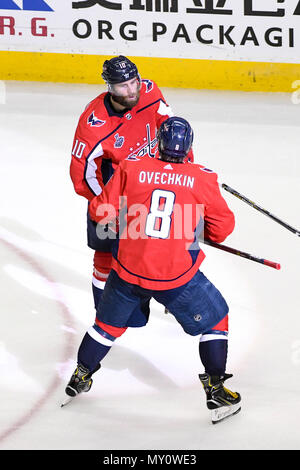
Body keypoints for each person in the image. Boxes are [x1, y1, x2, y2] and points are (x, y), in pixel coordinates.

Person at [64, 117, 241, 423]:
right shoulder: (202, 178)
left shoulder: (130, 167)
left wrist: (128, 216)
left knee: (105, 327)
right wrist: (195, 228)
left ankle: (80, 375)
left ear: (158, 143)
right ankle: (216, 389)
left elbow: (99, 211)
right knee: (217, 318)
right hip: (175, 278)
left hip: (127, 271)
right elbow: (222, 229)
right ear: (189, 148)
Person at [70, 55, 192, 326]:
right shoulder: (94, 123)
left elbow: (169, 125)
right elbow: (82, 173)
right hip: (116, 192)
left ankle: (176, 294)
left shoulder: (149, 90)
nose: (132, 90)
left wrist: (187, 170)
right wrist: (106, 205)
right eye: (123, 86)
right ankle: (105, 316)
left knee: (180, 237)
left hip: (156, 181)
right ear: (109, 87)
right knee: (105, 256)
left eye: (133, 82)